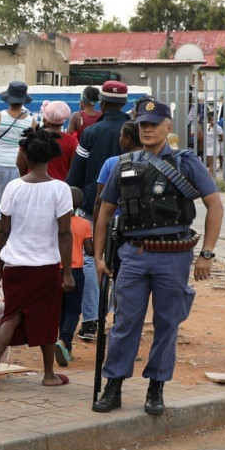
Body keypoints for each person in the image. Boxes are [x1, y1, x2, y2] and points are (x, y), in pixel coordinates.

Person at [93, 98, 223, 416]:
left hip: (173, 256)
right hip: (133, 256)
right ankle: (114, 386)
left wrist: (206, 253)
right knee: (125, 322)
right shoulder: (123, 163)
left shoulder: (185, 162)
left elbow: (215, 205)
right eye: (143, 124)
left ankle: (156, 386)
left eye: (154, 123)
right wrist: (98, 256)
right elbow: (105, 212)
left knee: (168, 323)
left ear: (168, 127)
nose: (147, 129)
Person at [0, 130, 75, 391]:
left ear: (26, 156)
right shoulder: (60, 189)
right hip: (45, 268)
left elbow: (4, 232)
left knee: (11, 316)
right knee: (48, 318)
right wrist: (67, 272)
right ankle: (48, 374)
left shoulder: (13, 187)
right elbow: (65, 232)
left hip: (15, 266)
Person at [68, 81, 130, 341]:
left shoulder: (91, 132)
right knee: (123, 264)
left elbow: (76, 175)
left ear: (103, 104)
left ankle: (92, 321)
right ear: (124, 104)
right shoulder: (134, 132)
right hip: (129, 210)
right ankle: (121, 322)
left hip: (94, 206)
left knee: (92, 262)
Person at [0, 80, 36, 236]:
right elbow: (30, 148)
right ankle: (9, 242)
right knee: (14, 207)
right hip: (18, 168)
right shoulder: (31, 121)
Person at [57, 188, 93, 364]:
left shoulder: (56, 223)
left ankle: (65, 347)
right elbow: (90, 251)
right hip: (76, 272)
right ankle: (64, 340)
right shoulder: (84, 223)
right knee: (73, 310)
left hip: (56, 270)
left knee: (61, 309)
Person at [41, 101, 79, 181]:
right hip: (61, 187)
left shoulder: (32, 138)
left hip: (35, 185)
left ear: (45, 120)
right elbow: (74, 168)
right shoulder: (72, 141)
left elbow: (20, 163)